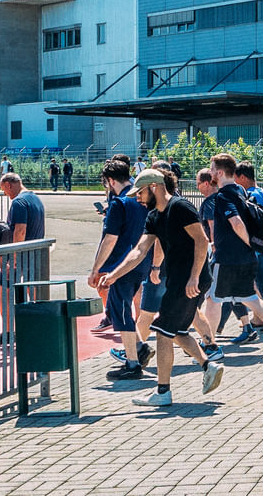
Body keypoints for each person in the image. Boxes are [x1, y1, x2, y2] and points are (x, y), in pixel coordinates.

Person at [98, 169, 220, 408]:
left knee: (163, 332)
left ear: (154, 187)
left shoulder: (181, 207)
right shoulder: (154, 216)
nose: (139, 198)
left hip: (189, 280)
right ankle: (209, 365)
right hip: (177, 280)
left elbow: (201, 240)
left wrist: (194, 277)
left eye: (141, 193)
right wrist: (112, 275)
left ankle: (163, 393)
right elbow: (139, 251)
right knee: (175, 331)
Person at [199, 155, 263, 355]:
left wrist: (246, 241)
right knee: (251, 298)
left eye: (212, 169)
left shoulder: (223, 196)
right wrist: (250, 247)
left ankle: (209, 344)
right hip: (247, 258)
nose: (210, 172)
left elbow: (236, 222)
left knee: (213, 300)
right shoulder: (241, 191)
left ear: (220, 173)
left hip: (227, 258)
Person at [88, 161, 149, 339]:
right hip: (142, 258)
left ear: (111, 181)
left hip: (121, 262)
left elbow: (109, 239)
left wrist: (95, 269)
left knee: (121, 312)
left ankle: (135, 351)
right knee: (134, 301)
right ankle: (138, 346)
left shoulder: (119, 203)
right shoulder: (142, 198)